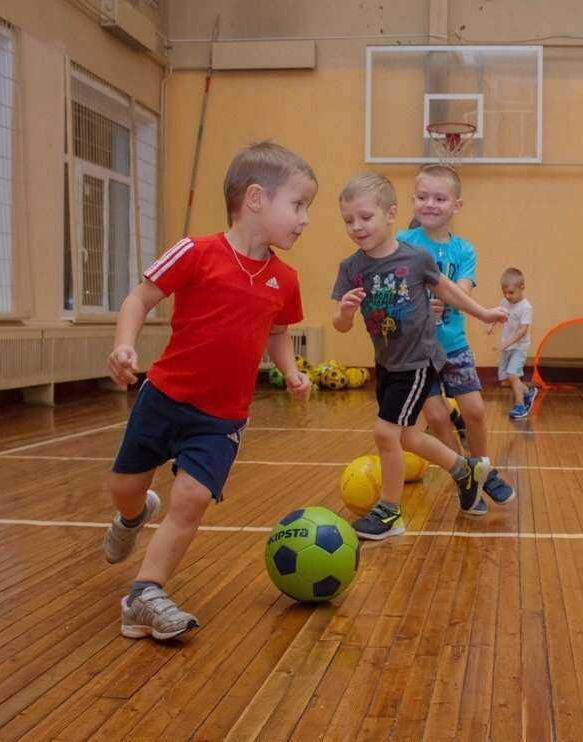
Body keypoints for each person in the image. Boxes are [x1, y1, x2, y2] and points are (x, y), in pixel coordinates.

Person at [102, 142, 315, 640]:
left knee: (193, 498)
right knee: (125, 489)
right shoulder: (196, 252)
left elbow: (278, 331)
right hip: (164, 397)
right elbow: (140, 297)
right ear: (256, 198)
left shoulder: (285, 279)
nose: (305, 219)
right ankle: (133, 515)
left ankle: (145, 594)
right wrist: (124, 347)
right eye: (299, 205)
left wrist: (290, 371)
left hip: (221, 418)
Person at [332, 172, 508, 538]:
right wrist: (345, 312)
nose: (357, 227)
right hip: (388, 363)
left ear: (390, 214)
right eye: (349, 220)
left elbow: (449, 290)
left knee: (385, 434)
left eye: (365, 218)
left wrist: (485, 313)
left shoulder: (414, 257)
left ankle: (389, 513)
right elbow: (341, 326)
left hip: (418, 361)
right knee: (408, 437)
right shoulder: (351, 268)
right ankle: (466, 470)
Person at [395, 165, 515, 511]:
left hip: (453, 345)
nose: (430, 204)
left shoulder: (464, 251)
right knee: (436, 417)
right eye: (422, 197)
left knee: (475, 410)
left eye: (439, 198)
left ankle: (483, 468)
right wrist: (416, 307)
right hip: (417, 352)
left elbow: (460, 290)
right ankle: (465, 477)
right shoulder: (402, 243)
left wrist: (444, 301)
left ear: (456, 206)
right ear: (412, 200)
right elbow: (396, 291)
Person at [490, 267, 537, 420]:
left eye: (511, 293)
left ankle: (520, 406)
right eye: (505, 292)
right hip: (507, 346)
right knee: (505, 380)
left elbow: (522, 330)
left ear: (522, 287)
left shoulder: (526, 307)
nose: (507, 296)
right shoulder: (504, 302)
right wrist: (491, 325)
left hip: (519, 347)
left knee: (513, 374)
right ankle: (527, 390)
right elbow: (500, 316)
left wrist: (508, 343)